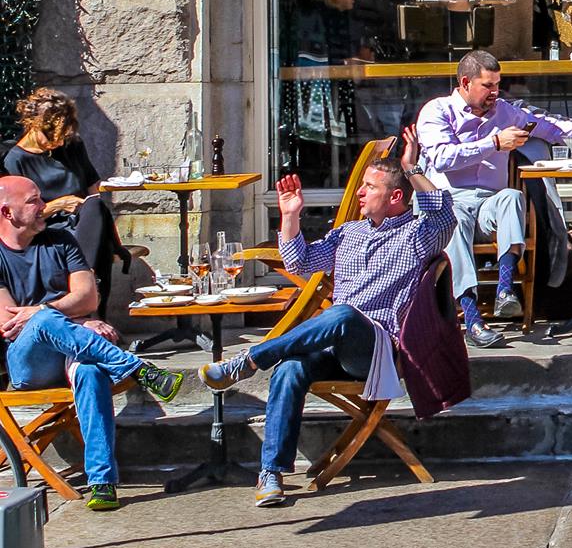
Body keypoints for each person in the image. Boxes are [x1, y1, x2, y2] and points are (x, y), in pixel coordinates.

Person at [203, 131, 455, 507]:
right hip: (336, 346)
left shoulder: (417, 236)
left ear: (395, 197)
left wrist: (411, 168)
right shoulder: (349, 233)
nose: (360, 193)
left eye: (370, 187)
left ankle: (250, 360)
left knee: (342, 315)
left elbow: (445, 214)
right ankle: (271, 473)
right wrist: (290, 216)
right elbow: (300, 262)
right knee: (290, 368)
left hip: (375, 352)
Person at [0, 176, 184, 512]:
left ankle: (103, 482)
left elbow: (88, 297)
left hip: (74, 349)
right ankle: (136, 369)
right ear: (7, 213)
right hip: (27, 363)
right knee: (42, 321)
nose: (43, 206)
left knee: (89, 371)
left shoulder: (61, 239)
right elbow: (9, 323)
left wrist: (49, 313)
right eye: (33, 201)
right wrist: (67, 318)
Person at [416, 49, 572, 347]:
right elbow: (442, 158)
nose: (495, 92)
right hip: (451, 201)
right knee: (453, 220)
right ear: (465, 82)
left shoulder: (505, 112)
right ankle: (472, 319)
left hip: (489, 204)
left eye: (497, 84)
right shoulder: (438, 111)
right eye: (488, 85)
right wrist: (494, 142)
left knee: (511, 197)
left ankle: (505, 291)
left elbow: (549, 126)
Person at [5, 89, 124, 302]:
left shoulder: (72, 146)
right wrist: (58, 205)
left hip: (86, 224)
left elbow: (93, 189)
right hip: (47, 230)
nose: (59, 142)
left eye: (63, 136)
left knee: (95, 207)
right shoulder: (15, 161)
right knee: (89, 237)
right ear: (34, 125)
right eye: (52, 136)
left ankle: (87, 279)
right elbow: (17, 219)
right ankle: (87, 285)